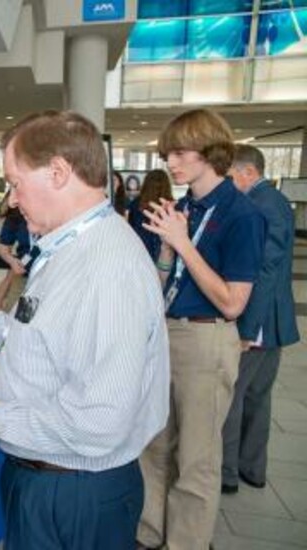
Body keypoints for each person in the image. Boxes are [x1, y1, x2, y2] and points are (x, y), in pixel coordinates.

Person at [0, 111, 170, 549]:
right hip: (50, 479)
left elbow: (100, 421)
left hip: (72, 491)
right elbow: (45, 334)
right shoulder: (70, 247)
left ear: (58, 172)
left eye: (17, 183)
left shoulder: (106, 267)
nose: (13, 200)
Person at [137, 109, 266, 550]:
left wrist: (182, 243)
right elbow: (165, 276)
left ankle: (186, 543)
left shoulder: (241, 214)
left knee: (196, 457)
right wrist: (166, 252)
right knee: (153, 445)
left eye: (180, 151)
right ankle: (149, 533)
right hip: (165, 331)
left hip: (207, 337)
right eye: (167, 153)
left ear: (210, 150)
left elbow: (233, 302)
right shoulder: (183, 207)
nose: (170, 161)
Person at [221, 144, 299, 494]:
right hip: (273, 322)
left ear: (248, 173)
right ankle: (252, 468)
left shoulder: (261, 205)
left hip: (260, 323)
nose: (229, 183)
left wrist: (247, 328)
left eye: (231, 175)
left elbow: (263, 271)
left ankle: (227, 472)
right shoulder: (276, 202)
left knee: (235, 396)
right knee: (257, 396)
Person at [0, 207, 36, 310]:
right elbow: (3, 245)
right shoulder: (15, 217)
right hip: (24, 263)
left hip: (49, 267)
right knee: (15, 302)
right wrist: (12, 260)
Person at [128, 169, 174, 261]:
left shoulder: (135, 204)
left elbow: (131, 229)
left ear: (146, 184)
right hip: (164, 253)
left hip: (140, 252)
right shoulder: (172, 206)